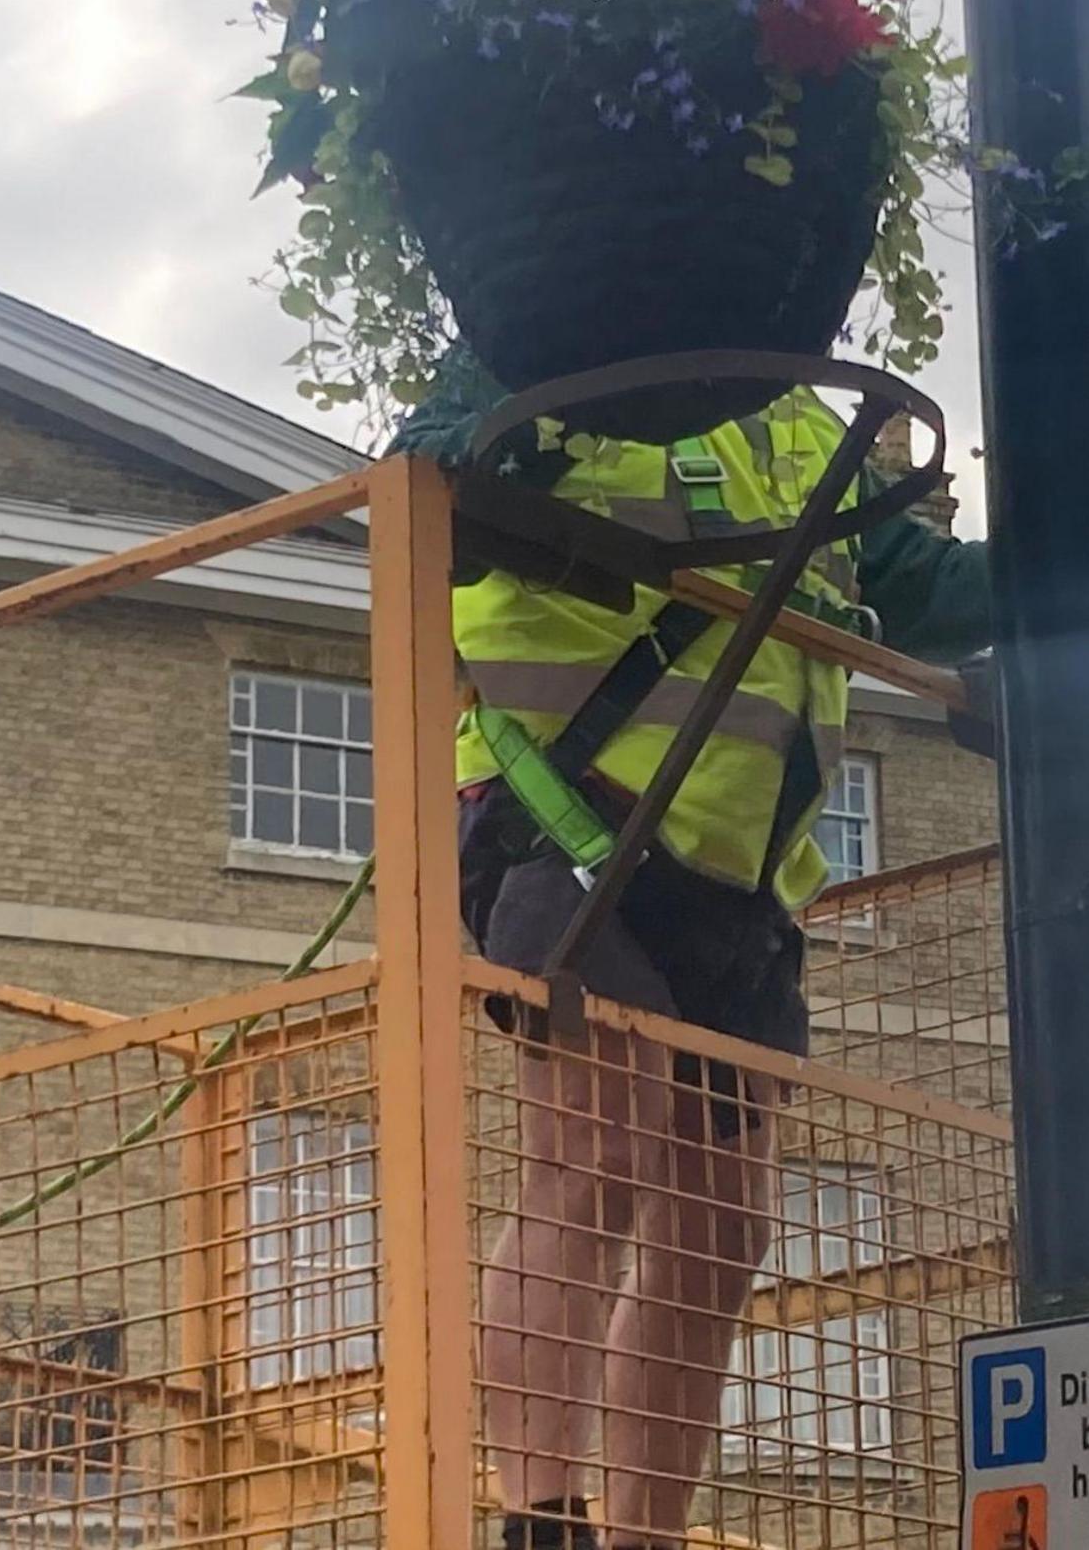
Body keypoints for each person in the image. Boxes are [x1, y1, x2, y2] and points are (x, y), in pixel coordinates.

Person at [396, 356, 994, 1550]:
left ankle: (646, 1533)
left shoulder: (798, 426)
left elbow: (927, 581)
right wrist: (520, 448)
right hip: (571, 824)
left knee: (722, 1225)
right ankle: (545, 1514)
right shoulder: (547, 355)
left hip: (738, 890)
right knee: (594, 1149)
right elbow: (434, 478)